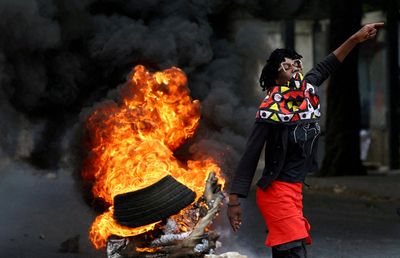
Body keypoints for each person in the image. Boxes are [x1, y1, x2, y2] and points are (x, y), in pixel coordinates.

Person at [227, 22, 384, 257]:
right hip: (276, 192)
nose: (295, 67)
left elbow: (328, 64)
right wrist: (234, 201)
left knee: (287, 252)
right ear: (276, 72)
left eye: (296, 62)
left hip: (295, 190)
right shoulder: (270, 109)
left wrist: (355, 38)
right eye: (287, 64)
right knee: (294, 251)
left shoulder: (308, 90)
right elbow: (251, 155)